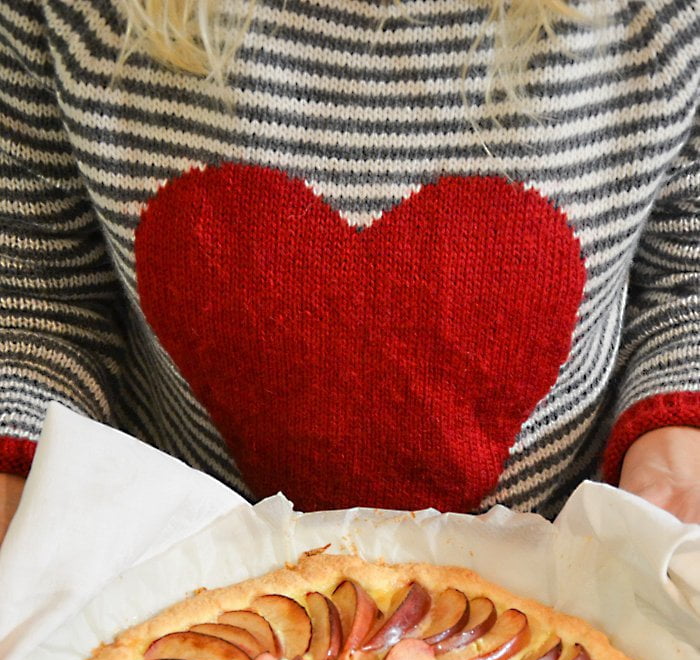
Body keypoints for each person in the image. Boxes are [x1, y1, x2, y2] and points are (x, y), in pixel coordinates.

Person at [0, 0, 698, 549]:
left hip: (565, 594)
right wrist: (17, 466)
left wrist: (675, 440)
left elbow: (685, 284)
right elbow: (38, 297)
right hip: (167, 582)